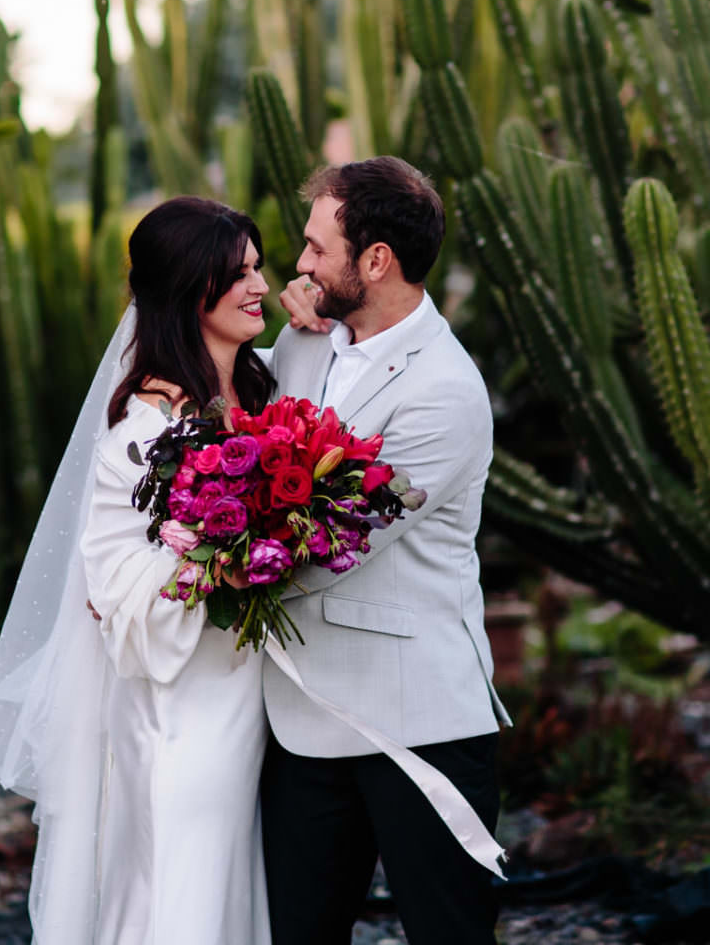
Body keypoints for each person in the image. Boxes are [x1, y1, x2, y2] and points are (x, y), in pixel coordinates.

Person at [0, 195, 278, 945]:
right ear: (191, 289)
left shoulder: (262, 393)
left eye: (260, 267)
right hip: (178, 703)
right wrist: (207, 559)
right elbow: (114, 593)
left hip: (252, 699)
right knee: (177, 883)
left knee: (229, 880)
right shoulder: (143, 432)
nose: (260, 286)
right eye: (239, 274)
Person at [264, 156, 510, 945]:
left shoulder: (446, 392)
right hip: (301, 720)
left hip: (419, 721)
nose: (298, 265)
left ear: (376, 261)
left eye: (314, 248)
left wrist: (196, 571)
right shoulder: (301, 345)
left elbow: (337, 539)